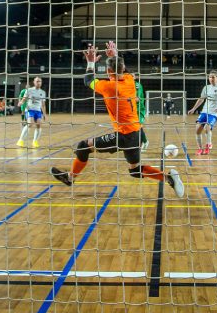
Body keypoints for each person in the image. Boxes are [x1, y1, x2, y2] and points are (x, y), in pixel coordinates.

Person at [50, 41, 184, 197]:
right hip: (137, 132)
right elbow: (122, 69)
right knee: (134, 170)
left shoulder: (109, 87)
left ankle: (70, 178)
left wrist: (91, 62)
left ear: (108, 70)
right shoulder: (130, 81)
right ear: (122, 69)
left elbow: (87, 80)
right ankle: (169, 178)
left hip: (125, 135)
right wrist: (115, 55)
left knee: (83, 146)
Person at [188, 70, 217, 155]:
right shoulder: (206, 87)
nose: (211, 79)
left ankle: (208, 145)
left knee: (207, 127)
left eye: (213, 77)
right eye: (210, 77)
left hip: (213, 113)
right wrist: (193, 109)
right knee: (197, 129)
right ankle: (200, 149)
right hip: (204, 111)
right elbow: (201, 99)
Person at [17, 76, 46, 148]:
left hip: (38, 110)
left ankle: (35, 141)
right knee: (30, 124)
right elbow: (24, 99)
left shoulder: (42, 92)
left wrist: (44, 114)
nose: (38, 83)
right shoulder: (29, 90)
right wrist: (21, 102)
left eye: (40, 81)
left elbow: (43, 104)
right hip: (30, 109)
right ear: (34, 82)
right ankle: (20, 140)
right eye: (37, 81)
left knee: (39, 125)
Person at [131, 72, 149, 152]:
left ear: (135, 77)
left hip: (139, 109)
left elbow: (137, 98)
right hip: (132, 110)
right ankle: (139, 143)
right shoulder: (127, 86)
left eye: (132, 76)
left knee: (138, 126)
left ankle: (145, 142)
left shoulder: (137, 85)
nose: (131, 77)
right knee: (133, 128)